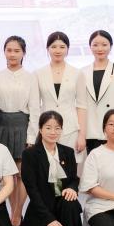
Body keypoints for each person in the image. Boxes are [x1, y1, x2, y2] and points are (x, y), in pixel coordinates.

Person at [0, 35, 37, 226]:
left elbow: (35, 109)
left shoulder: (31, 77)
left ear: (24, 53)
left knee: (22, 174)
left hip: (23, 125)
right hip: (2, 125)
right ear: (4, 52)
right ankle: (12, 212)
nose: (12, 54)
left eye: (17, 50)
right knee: (7, 174)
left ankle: (16, 214)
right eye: (9, 50)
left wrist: (32, 137)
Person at [21, 111, 84, 226]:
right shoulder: (30, 154)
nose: (53, 132)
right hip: (43, 210)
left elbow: (74, 179)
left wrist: (72, 188)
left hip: (65, 208)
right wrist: (49, 220)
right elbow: (32, 191)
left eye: (57, 128)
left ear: (62, 130)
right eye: (48, 128)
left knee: (70, 200)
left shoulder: (68, 152)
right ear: (40, 129)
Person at [35, 31, 86, 162]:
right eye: (53, 47)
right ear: (47, 49)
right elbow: (35, 106)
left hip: (70, 129)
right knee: (46, 166)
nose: (58, 50)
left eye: (62, 47)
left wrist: (82, 135)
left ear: (68, 49)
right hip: (46, 129)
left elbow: (82, 106)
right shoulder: (38, 73)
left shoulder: (77, 73)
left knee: (70, 167)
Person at [78, 30, 114, 154]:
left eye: (104, 44)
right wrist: (81, 132)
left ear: (110, 46)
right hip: (90, 129)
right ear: (90, 47)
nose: (100, 49)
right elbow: (80, 104)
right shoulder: (82, 72)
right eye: (95, 45)